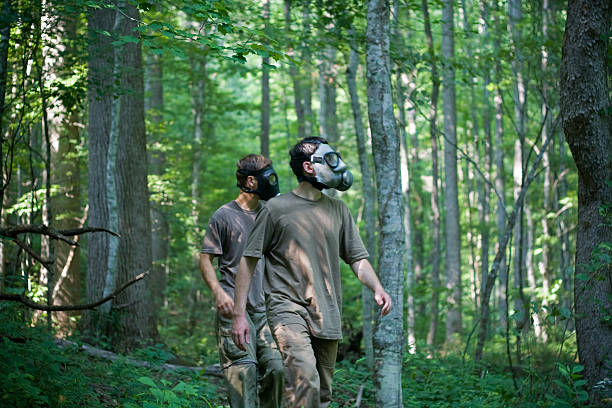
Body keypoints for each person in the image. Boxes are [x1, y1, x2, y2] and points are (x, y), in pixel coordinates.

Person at [231, 137, 392, 408]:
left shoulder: (339, 210)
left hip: (327, 311)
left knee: (322, 395)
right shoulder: (275, 209)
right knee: (304, 379)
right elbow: (248, 262)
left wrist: (378, 288)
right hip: (287, 309)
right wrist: (239, 315)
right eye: (328, 159)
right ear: (308, 166)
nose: (337, 165)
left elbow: (357, 257)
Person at [199, 154, 284, 408]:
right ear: (251, 181)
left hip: (265, 312)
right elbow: (205, 259)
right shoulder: (223, 215)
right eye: (267, 176)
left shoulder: (271, 216)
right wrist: (218, 292)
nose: (273, 181)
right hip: (234, 308)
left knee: (277, 370)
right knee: (243, 373)